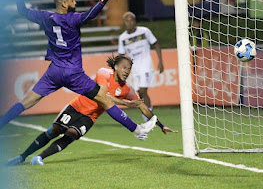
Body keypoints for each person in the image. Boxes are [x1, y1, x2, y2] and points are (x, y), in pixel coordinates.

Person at [0, 0, 155, 143]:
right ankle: (137, 130)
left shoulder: (44, 17)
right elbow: (89, 15)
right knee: (104, 99)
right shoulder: (72, 19)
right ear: (64, 3)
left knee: (26, 102)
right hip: (73, 73)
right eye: (73, 0)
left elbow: (22, 10)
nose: (75, 3)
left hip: (54, 72)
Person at [6, 55, 177, 166]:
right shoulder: (104, 73)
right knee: (55, 130)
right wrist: (126, 103)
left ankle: (39, 158)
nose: (127, 71)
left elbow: (142, 105)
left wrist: (160, 124)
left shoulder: (127, 90)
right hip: (76, 106)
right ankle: (22, 157)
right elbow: (104, 96)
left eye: (129, 69)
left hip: (90, 117)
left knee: (71, 135)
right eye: (124, 67)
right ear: (116, 66)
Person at [118, 12, 164, 122]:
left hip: (146, 65)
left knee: (143, 91)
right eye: (127, 21)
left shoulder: (144, 31)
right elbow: (121, 55)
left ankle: (148, 116)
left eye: (132, 20)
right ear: (124, 23)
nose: (130, 22)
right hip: (135, 68)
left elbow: (156, 44)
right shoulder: (123, 38)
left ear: (135, 21)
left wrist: (160, 61)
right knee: (139, 92)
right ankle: (148, 113)